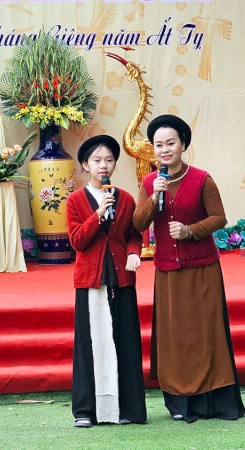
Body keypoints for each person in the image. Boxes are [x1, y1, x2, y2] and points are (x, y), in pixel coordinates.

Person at [133, 114, 245, 423]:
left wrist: (191, 230)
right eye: (158, 145)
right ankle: (181, 404)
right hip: (168, 271)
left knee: (206, 332)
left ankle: (215, 403)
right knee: (175, 336)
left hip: (203, 269)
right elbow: (138, 223)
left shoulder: (201, 179)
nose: (164, 150)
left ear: (183, 144)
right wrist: (155, 193)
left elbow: (219, 218)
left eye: (171, 143)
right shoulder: (148, 182)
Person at [66, 135, 147, 428]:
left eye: (109, 160)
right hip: (90, 280)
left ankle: (129, 410)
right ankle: (86, 411)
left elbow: (134, 235)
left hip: (121, 279)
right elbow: (77, 241)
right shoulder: (75, 200)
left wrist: (135, 254)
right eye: (97, 160)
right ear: (86, 165)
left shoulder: (125, 198)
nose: (104, 166)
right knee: (89, 345)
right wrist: (99, 215)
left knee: (125, 342)